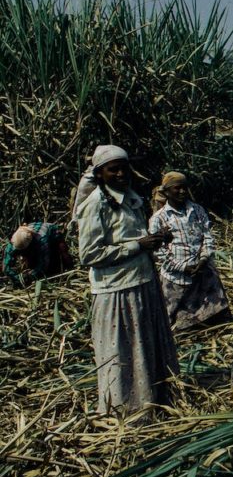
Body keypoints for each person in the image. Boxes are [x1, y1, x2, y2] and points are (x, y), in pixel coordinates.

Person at [77, 144, 179, 415]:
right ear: (100, 175)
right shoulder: (94, 205)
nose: (121, 173)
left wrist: (155, 241)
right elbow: (89, 254)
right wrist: (138, 245)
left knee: (144, 345)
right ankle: (124, 407)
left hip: (142, 282)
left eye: (124, 168)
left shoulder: (130, 198)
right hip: (116, 290)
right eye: (114, 169)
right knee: (122, 351)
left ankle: (154, 399)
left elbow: (132, 237)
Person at [148, 171, 230, 331]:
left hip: (202, 270)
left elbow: (207, 237)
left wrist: (204, 259)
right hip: (176, 277)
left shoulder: (197, 210)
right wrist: (182, 267)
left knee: (214, 319)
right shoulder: (159, 218)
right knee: (176, 323)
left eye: (185, 187)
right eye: (177, 188)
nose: (182, 191)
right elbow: (159, 252)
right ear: (166, 192)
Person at [3, 222, 75, 286]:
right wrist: (16, 278)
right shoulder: (13, 243)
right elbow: (6, 267)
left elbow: (43, 264)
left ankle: (72, 272)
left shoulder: (42, 239)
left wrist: (30, 276)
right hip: (32, 242)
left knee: (63, 254)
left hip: (53, 234)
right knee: (31, 262)